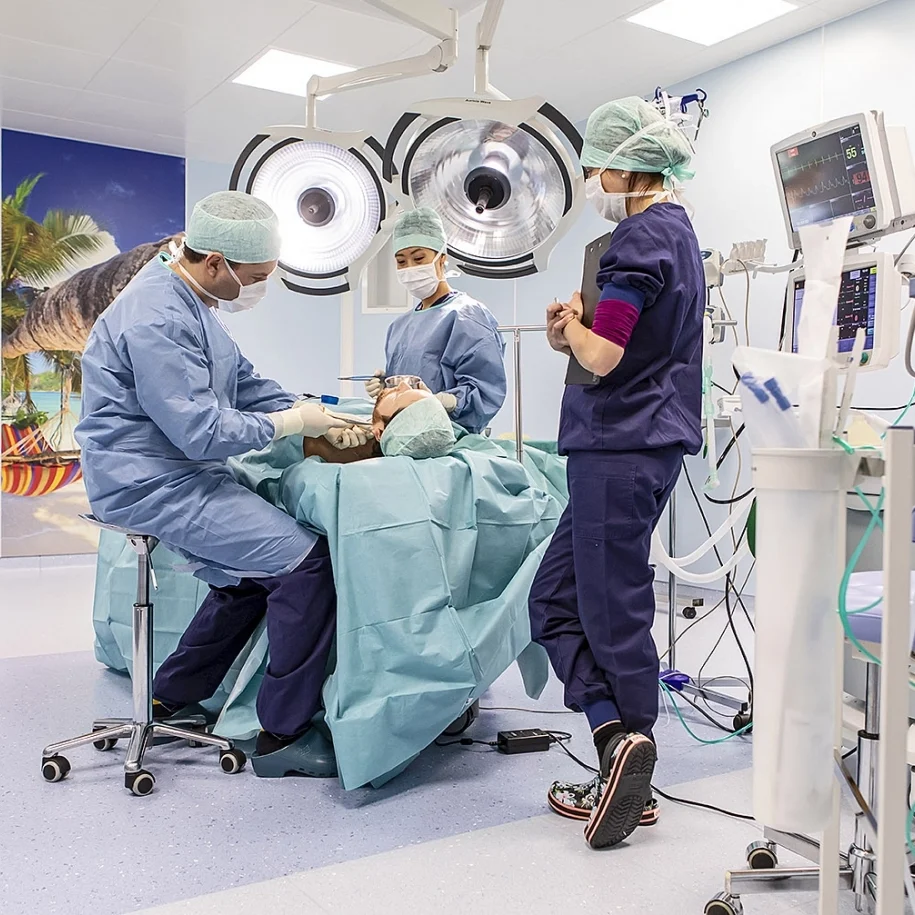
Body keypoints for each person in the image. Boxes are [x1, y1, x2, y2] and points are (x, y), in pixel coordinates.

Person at [76, 190, 366, 779]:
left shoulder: (189, 298)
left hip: (170, 470)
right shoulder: (157, 317)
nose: (260, 288)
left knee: (251, 573)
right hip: (148, 481)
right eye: (255, 278)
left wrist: (320, 409)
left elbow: (245, 384)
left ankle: (171, 695)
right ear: (215, 262)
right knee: (306, 566)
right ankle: (283, 736)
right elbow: (201, 432)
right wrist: (292, 424)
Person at [528, 97, 704, 848]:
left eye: (599, 167)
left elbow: (604, 355)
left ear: (631, 167)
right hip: (633, 440)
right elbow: (611, 343)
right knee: (553, 598)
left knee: (610, 607)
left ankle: (635, 766)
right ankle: (615, 741)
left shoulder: (639, 238)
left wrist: (576, 331)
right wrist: (567, 331)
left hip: (621, 443)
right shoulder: (676, 235)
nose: (594, 180)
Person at [365, 208, 507, 434]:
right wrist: (387, 388)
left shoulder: (467, 316)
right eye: (401, 261)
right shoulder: (398, 327)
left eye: (418, 258)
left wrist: (442, 401)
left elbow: (485, 392)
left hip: (451, 438)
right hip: (403, 437)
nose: (410, 268)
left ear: (442, 258)